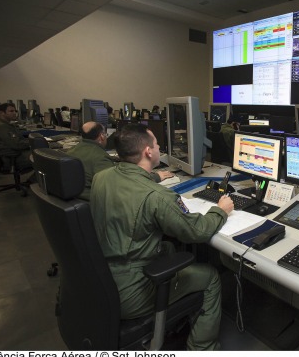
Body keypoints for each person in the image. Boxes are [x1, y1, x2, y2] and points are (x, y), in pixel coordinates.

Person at [90, 123, 234, 350]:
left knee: (168, 248)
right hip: (132, 292)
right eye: (157, 144)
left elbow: (131, 181)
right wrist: (221, 210)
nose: (159, 148)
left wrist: (154, 177)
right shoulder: (158, 197)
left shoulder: (101, 177)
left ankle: (179, 319)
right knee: (210, 277)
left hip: (99, 278)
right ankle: (203, 349)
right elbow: (197, 230)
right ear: (148, 151)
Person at [67, 121, 174, 200]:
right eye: (155, 144)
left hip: (77, 200)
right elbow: (121, 187)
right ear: (101, 137)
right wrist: (156, 177)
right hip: (91, 205)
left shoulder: (71, 150)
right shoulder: (100, 158)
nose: (158, 146)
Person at [0, 102, 32, 172]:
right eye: (11, 111)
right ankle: (36, 181)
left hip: (15, 154)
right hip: (13, 157)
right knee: (46, 158)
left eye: (15, 111)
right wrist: (34, 143)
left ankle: (35, 180)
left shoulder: (5, 124)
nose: (14, 113)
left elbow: (18, 140)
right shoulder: (1, 126)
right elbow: (16, 145)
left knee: (44, 154)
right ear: (1, 113)